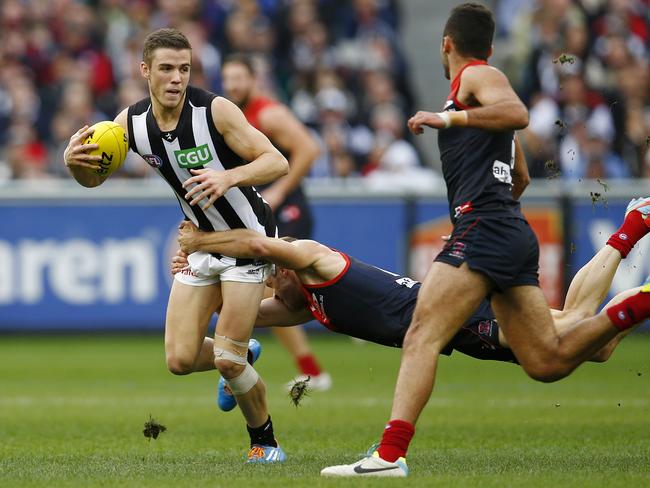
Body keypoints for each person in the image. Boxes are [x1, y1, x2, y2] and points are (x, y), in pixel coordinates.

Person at [316, 3, 650, 476]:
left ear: (446, 44)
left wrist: (449, 123)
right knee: (547, 360)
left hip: (484, 231)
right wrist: (489, 202)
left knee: (421, 334)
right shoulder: (476, 91)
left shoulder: (475, 78)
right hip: (504, 228)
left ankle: (389, 455)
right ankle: (643, 300)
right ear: (489, 44)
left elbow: (516, 113)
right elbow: (522, 175)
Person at [63, 28, 290, 463]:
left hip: (248, 238)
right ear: (145, 70)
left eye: (184, 69)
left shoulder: (215, 111)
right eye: (166, 69)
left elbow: (276, 161)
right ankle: (243, 353)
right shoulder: (128, 124)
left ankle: (265, 443)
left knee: (226, 358)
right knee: (180, 359)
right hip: (201, 242)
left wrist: (229, 175)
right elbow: (92, 177)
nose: (176, 79)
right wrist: (72, 162)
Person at [173, 203, 643, 373]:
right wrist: (192, 267)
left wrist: (201, 240)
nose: (266, 286)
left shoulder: (314, 258)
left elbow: (259, 244)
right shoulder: (306, 305)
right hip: (451, 329)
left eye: (269, 275)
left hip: (451, 314)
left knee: (574, 325)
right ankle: (638, 269)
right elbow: (227, 310)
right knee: (595, 347)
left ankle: (634, 225)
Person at [221, 54, 332, 393]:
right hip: (266, 212)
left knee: (271, 290)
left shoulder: (268, 112)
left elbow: (309, 148)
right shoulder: (235, 115)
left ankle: (236, 359)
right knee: (272, 292)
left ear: (254, 79)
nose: (232, 85)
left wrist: (281, 191)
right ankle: (305, 368)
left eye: (238, 77)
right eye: (227, 79)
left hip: (288, 211)